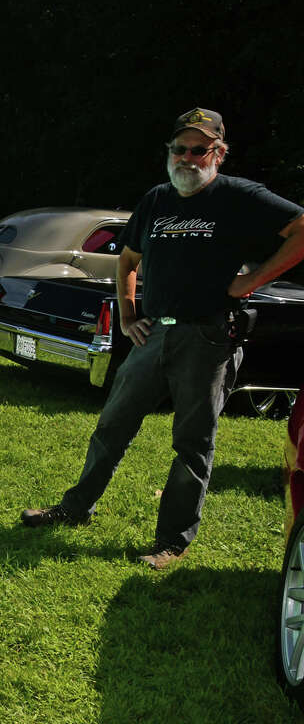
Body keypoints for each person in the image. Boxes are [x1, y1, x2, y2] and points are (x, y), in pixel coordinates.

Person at [20, 108, 304, 570]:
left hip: (209, 339)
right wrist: (129, 315)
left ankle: (172, 540)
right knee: (112, 425)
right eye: (180, 149)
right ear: (169, 153)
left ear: (219, 154)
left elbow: (301, 230)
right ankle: (75, 508)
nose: (188, 158)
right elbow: (127, 260)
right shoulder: (155, 200)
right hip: (154, 335)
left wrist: (249, 284)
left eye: (200, 150)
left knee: (192, 443)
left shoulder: (239, 196)